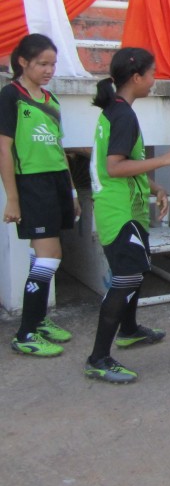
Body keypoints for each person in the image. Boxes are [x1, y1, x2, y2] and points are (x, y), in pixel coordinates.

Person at [85, 48, 170, 382]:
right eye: (152, 73)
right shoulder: (123, 115)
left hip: (130, 208)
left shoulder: (118, 110)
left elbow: (125, 164)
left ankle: (128, 329)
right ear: (136, 77)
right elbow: (115, 167)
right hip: (119, 211)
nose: (155, 79)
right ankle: (98, 358)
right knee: (126, 277)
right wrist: (166, 159)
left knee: (136, 271)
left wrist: (155, 188)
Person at [2, 35, 79, 357]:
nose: (49, 70)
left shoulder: (50, 99)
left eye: (53, 64)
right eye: (42, 64)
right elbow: (4, 149)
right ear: (23, 62)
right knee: (50, 255)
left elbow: (59, 148)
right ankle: (26, 333)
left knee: (44, 255)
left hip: (57, 181)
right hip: (32, 184)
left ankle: (39, 319)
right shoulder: (11, 96)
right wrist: (12, 198)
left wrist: (71, 191)